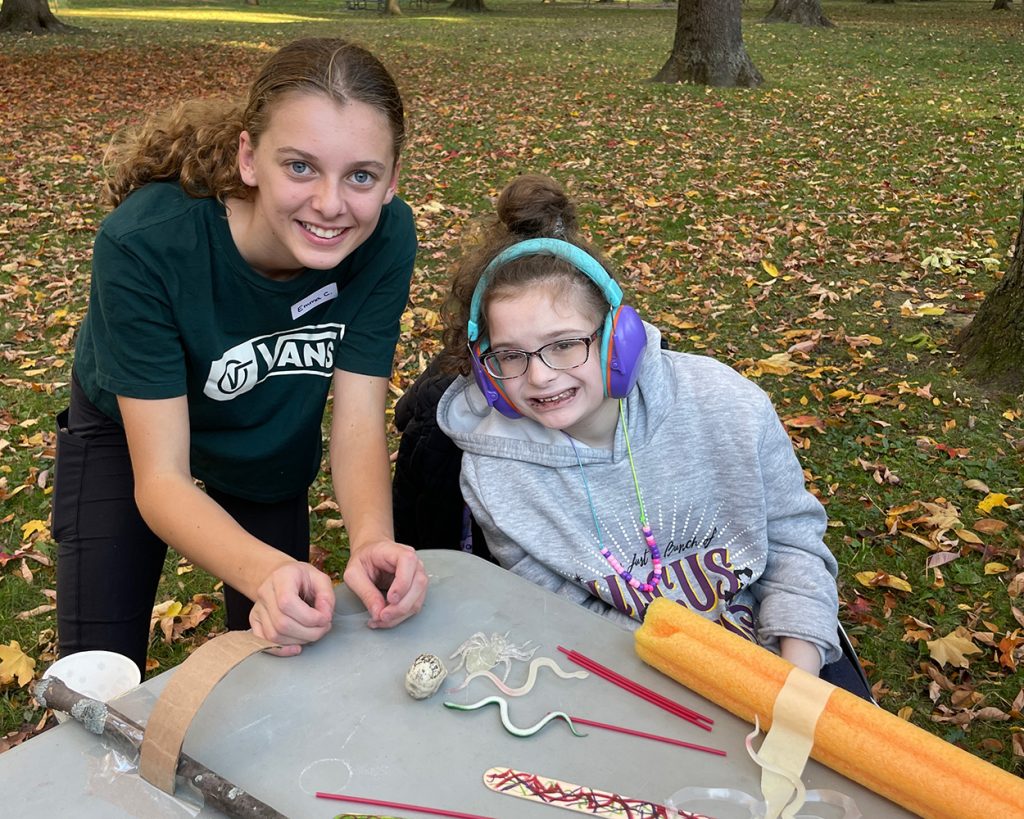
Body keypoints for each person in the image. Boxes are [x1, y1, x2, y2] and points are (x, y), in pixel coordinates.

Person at [53, 37, 428, 675]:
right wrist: (267, 570)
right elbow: (163, 479)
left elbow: (359, 413)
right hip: (128, 428)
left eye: (360, 175)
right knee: (97, 674)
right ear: (250, 158)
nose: (332, 204)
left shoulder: (385, 239)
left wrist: (370, 538)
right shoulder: (144, 243)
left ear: (392, 181)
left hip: (265, 428)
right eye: (301, 167)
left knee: (280, 659)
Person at [435, 174, 842, 678]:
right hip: (631, 678)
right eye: (510, 355)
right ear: (485, 370)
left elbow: (793, 546)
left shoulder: (728, 405)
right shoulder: (494, 474)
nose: (540, 376)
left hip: (779, 652)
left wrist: (796, 677)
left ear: (617, 341)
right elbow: (561, 616)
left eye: (565, 344)